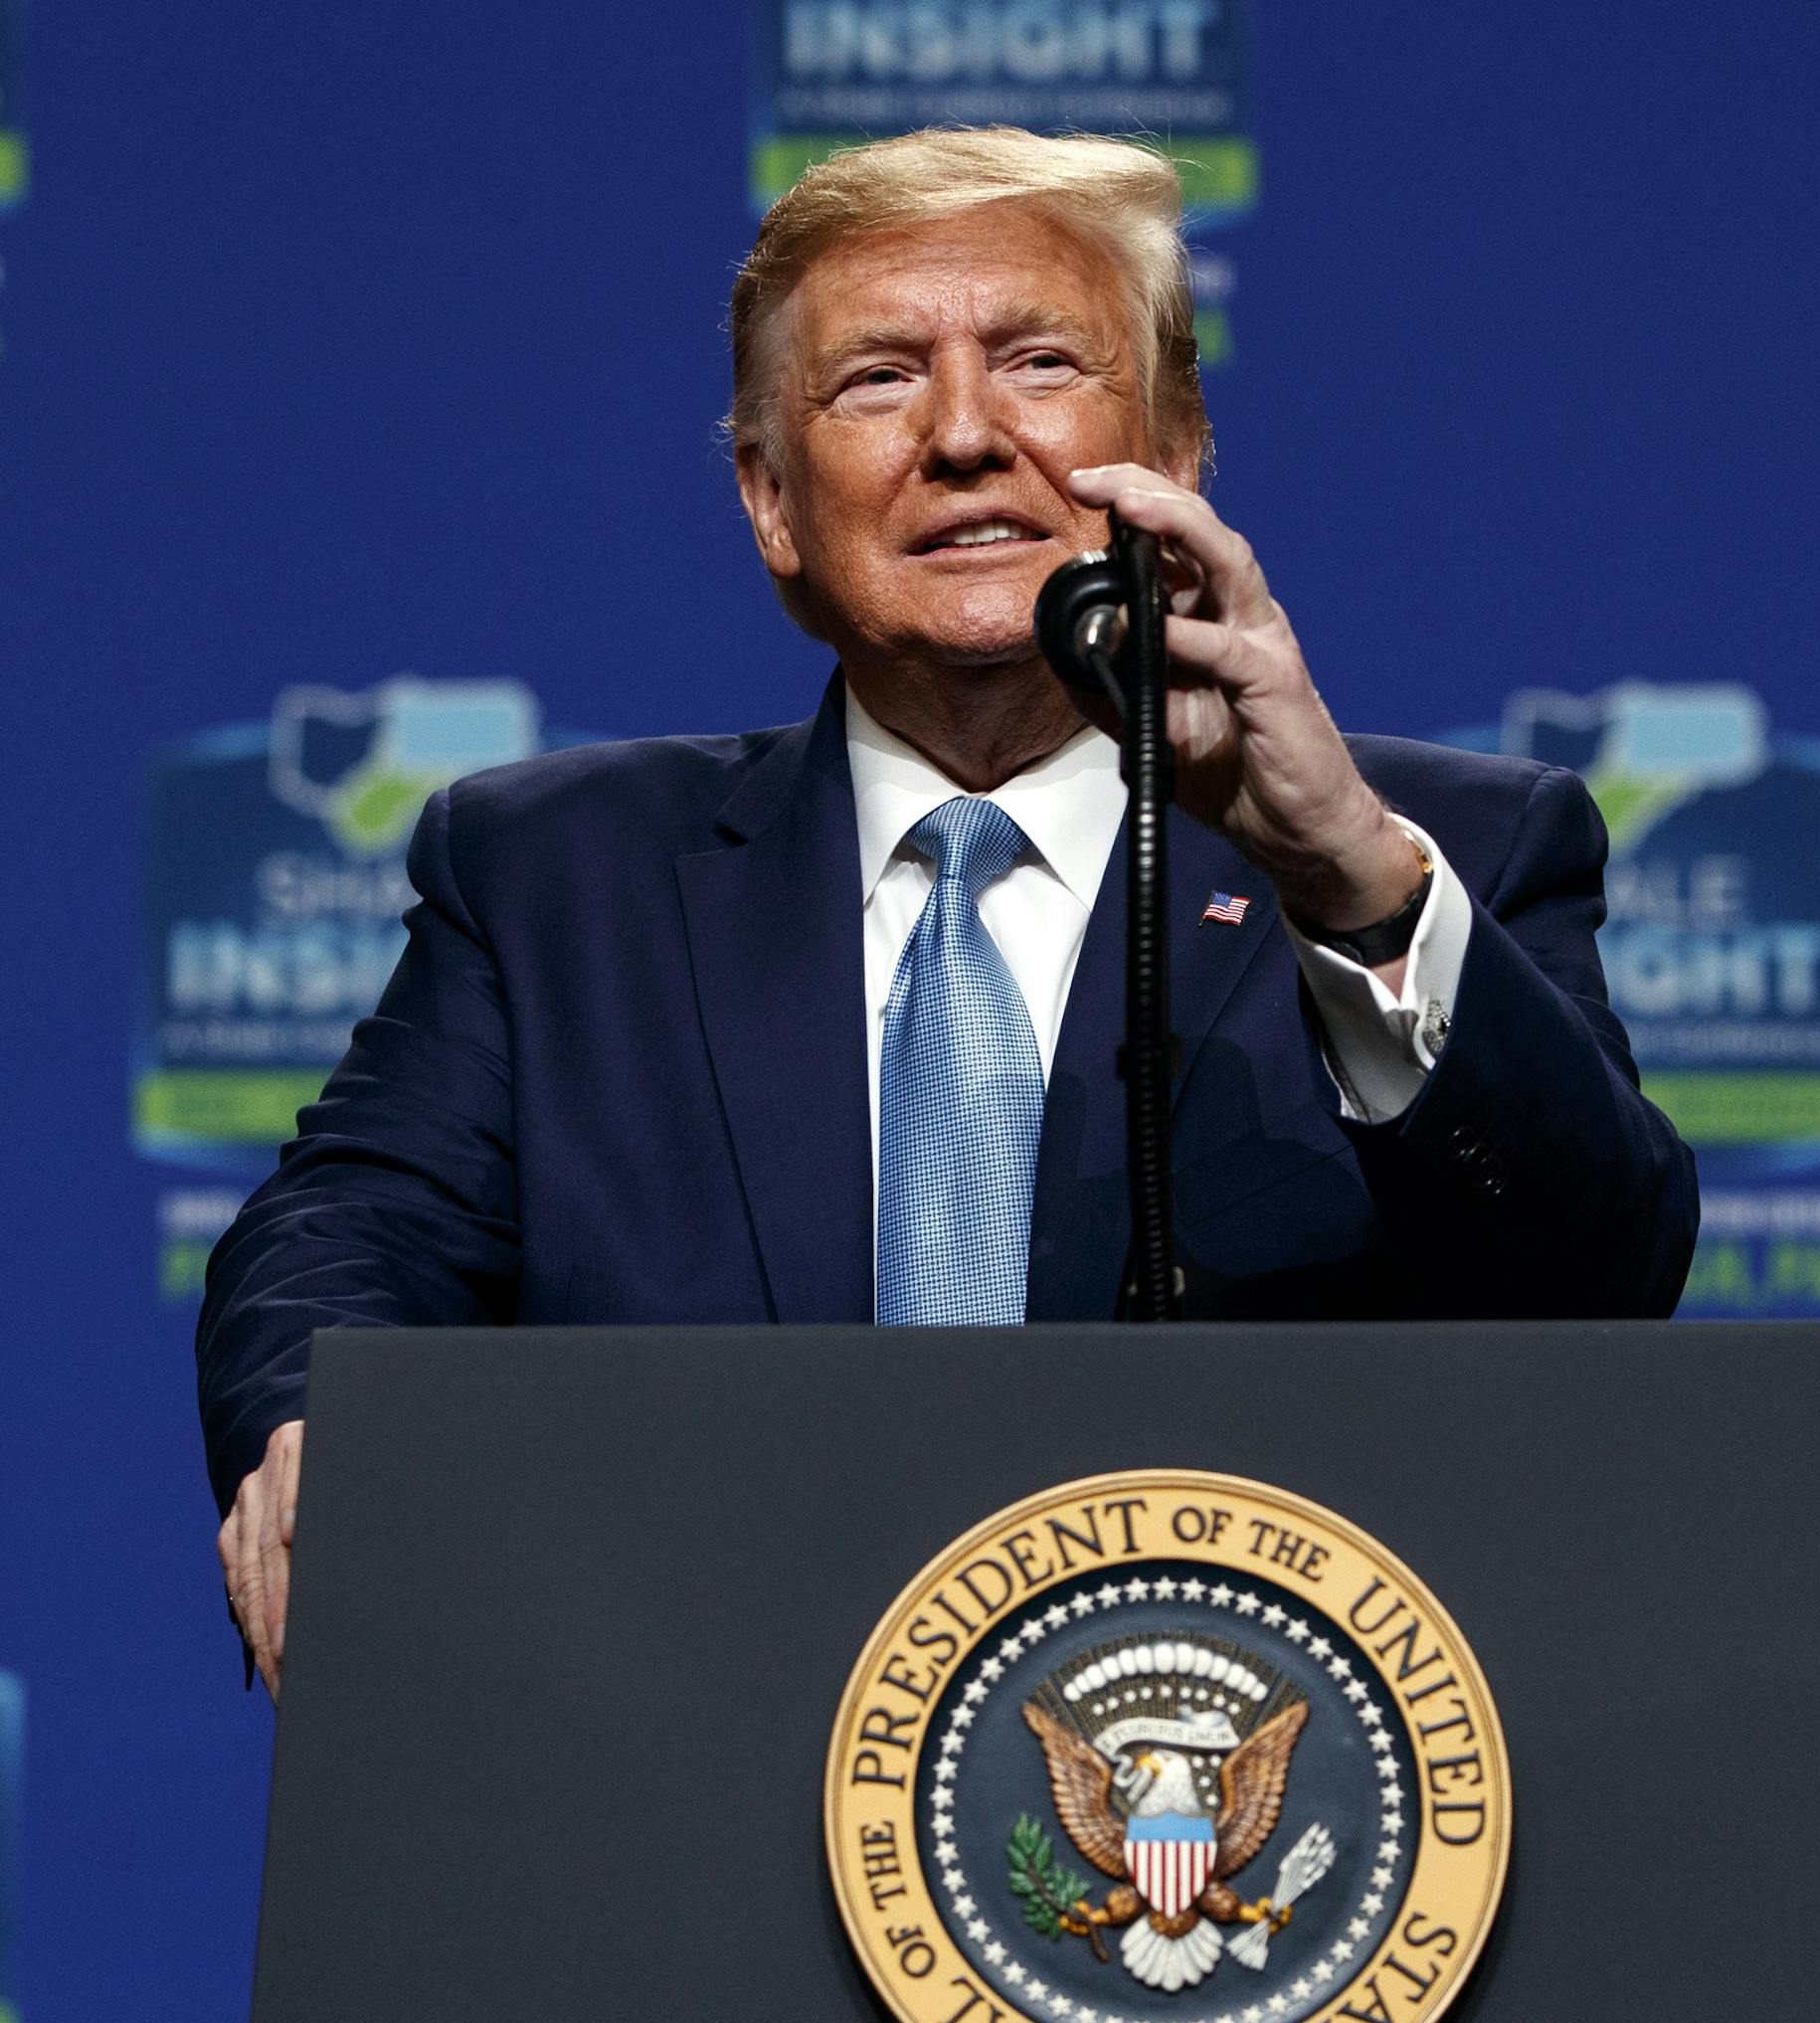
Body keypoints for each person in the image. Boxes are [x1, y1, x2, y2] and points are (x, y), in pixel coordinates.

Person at [203, 127, 1697, 1695]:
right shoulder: (555, 879)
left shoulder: (1432, 854)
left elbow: (1597, 1282)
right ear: (772, 500)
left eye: (1042, 364)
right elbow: (345, 1229)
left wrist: (1348, 885)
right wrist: (322, 1422)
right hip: (692, 1783)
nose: (967, 436)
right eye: (877, 381)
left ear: (1178, 451)